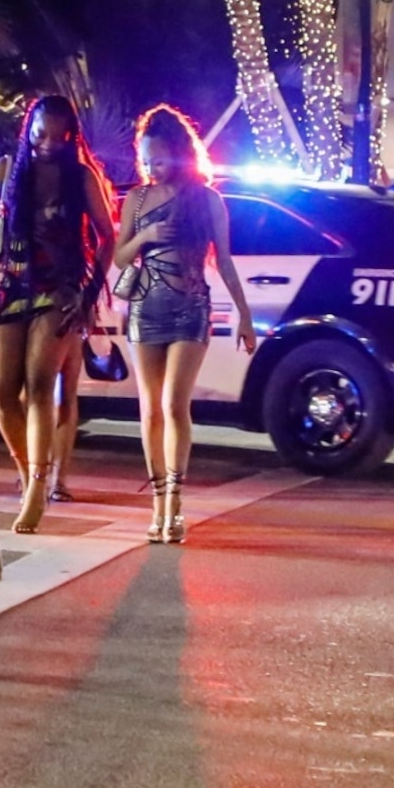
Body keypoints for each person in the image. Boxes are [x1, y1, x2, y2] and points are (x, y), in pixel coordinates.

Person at [0, 93, 117, 534]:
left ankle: (35, 489)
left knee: (40, 382)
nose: (48, 143)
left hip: (60, 289)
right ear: (28, 128)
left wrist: (87, 295)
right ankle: (29, 467)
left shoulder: (80, 176)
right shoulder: (6, 170)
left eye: (58, 136)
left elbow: (108, 236)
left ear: (70, 138)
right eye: (40, 133)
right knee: (0, 390)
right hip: (13, 284)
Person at [111, 104, 258, 544]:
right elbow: (119, 257)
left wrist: (244, 315)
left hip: (191, 306)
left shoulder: (207, 200)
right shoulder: (136, 200)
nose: (153, 168)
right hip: (145, 306)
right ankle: (156, 505)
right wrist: (143, 237)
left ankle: (175, 503)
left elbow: (226, 262)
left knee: (175, 404)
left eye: (160, 159)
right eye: (146, 161)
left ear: (180, 154)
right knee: (150, 409)